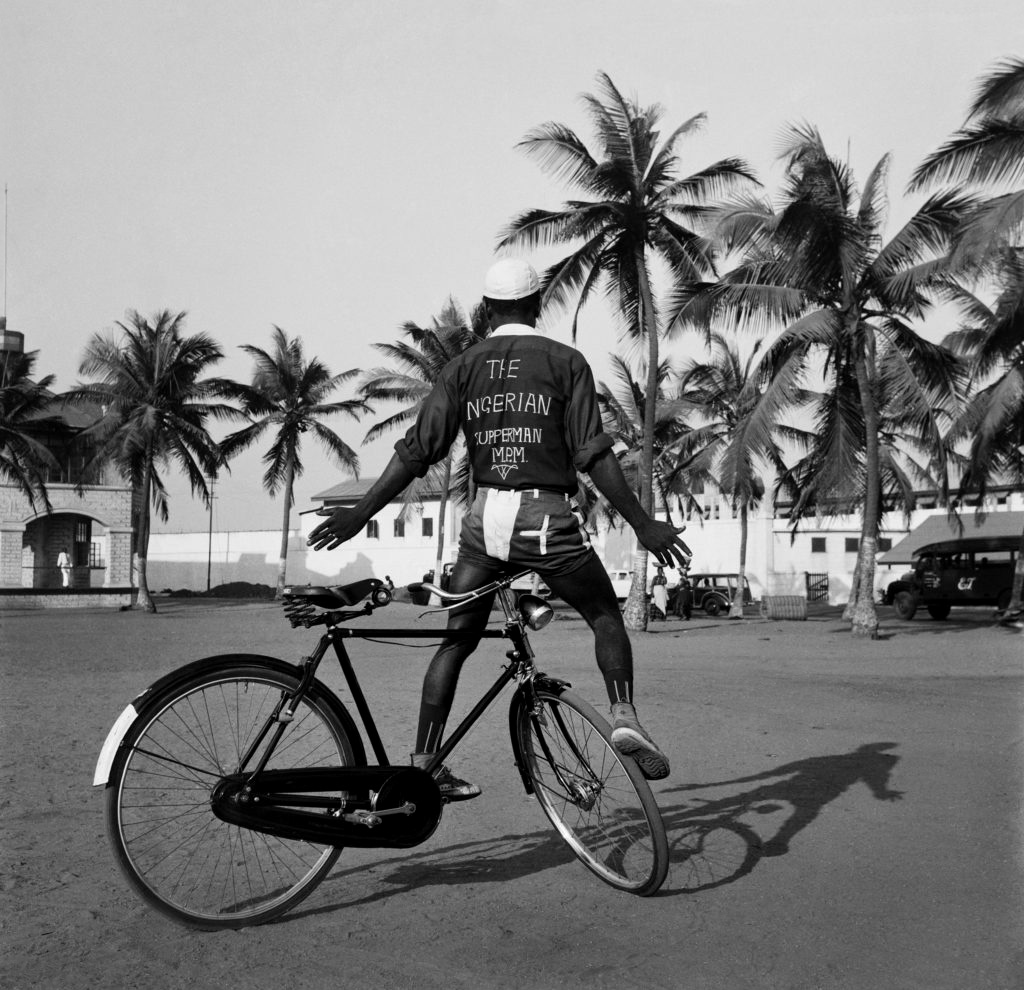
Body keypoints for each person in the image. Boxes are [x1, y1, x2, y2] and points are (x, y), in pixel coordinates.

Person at [309, 258, 689, 800]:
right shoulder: (566, 361)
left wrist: (361, 513)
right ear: (538, 304)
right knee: (604, 614)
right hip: (544, 520)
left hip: (484, 522)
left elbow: (418, 452)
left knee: (456, 643)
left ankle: (425, 763)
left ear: (487, 309)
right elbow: (592, 455)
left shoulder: (462, 366)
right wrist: (643, 523)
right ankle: (623, 714)